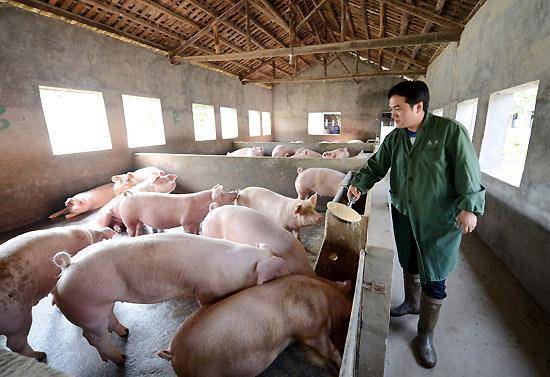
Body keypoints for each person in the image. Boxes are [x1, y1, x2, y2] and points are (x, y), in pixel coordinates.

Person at [347, 80, 485, 368]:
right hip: (403, 212)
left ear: (419, 106)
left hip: (438, 219)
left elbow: (468, 172)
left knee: (434, 274)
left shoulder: (449, 132)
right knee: (408, 262)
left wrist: (469, 208)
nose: (393, 114)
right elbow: (376, 166)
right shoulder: (395, 138)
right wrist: (359, 184)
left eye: (398, 108)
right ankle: (411, 302)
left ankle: (424, 336)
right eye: (391, 109)